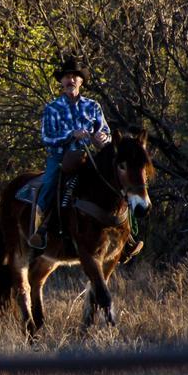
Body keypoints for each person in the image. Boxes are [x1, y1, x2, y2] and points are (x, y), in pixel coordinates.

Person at [28, 60, 111, 250]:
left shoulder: (93, 106)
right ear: (61, 82)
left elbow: (107, 133)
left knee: (116, 181)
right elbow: (47, 137)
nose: (70, 80)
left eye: (74, 76)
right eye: (66, 77)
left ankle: (125, 235)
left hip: (88, 158)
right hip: (60, 158)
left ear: (81, 81)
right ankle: (38, 230)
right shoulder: (52, 108)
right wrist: (70, 135)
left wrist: (103, 137)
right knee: (49, 183)